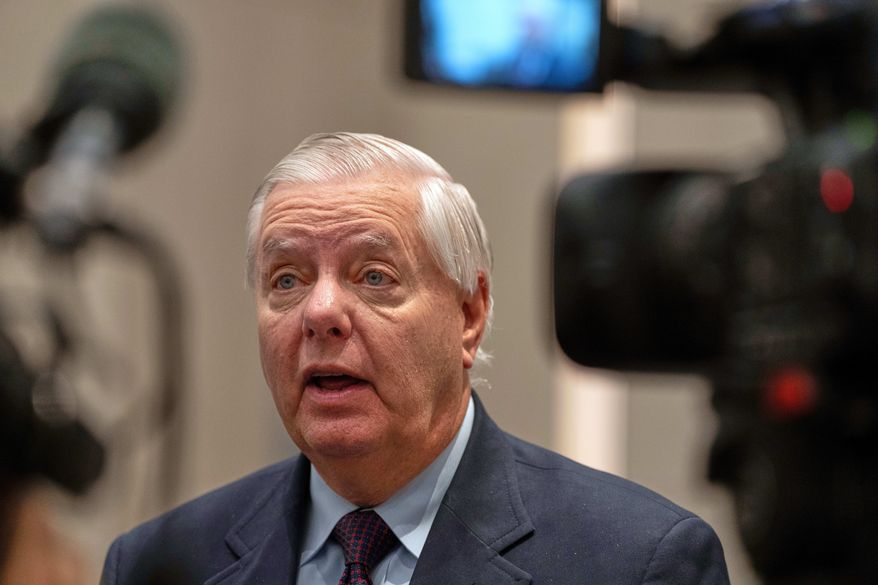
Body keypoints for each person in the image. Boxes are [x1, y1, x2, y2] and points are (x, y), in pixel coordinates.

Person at [101, 132, 730, 585]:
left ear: (469, 315)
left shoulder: (636, 562)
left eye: (374, 276)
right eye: (286, 280)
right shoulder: (158, 565)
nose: (320, 312)